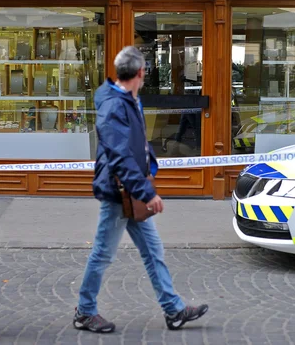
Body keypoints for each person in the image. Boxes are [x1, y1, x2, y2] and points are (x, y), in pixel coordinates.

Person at [74, 46, 208, 333]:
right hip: (118, 192)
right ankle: (85, 312)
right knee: (102, 253)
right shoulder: (114, 105)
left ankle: (173, 310)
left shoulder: (128, 98)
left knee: (153, 251)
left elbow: (136, 142)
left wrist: (149, 166)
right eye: (145, 71)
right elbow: (120, 155)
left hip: (132, 189)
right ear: (140, 73)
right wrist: (147, 192)